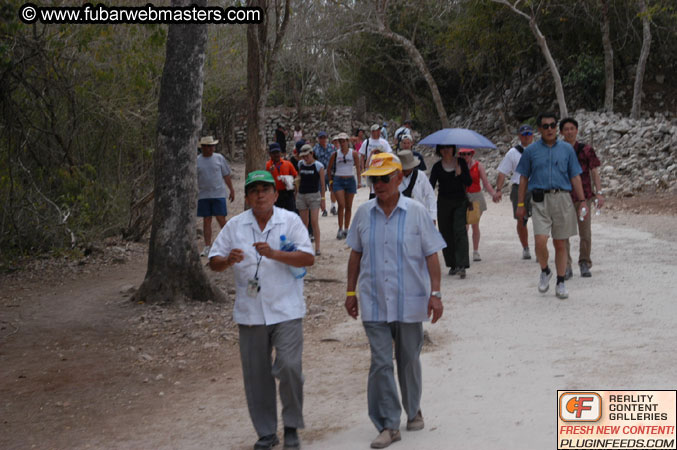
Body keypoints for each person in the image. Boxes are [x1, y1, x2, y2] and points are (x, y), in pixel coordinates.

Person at [344, 152, 445, 450]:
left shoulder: (416, 212)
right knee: (380, 362)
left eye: (385, 178)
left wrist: (435, 294)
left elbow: (431, 255)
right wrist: (350, 292)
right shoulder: (363, 214)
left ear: (400, 178)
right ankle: (388, 423)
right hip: (374, 301)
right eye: (374, 179)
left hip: (409, 300)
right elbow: (355, 254)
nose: (379, 184)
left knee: (409, 358)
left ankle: (413, 409)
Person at [208, 170, 314, 450]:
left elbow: (307, 257)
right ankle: (266, 433)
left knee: (290, 367)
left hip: (287, 309)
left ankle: (291, 426)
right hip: (251, 312)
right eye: (254, 190)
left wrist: (275, 254)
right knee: (256, 376)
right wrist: (227, 260)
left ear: (276, 194)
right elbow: (213, 261)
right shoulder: (235, 226)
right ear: (247, 196)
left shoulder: (289, 221)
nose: (260, 195)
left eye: (265, 189)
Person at [515, 113, 586, 300]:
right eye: (545, 126)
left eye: (552, 125)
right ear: (539, 129)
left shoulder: (567, 150)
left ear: (556, 128)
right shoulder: (530, 151)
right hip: (539, 200)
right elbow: (523, 178)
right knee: (540, 241)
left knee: (560, 243)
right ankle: (545, 270)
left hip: (562, 198)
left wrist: (583, 200)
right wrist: (520, 204)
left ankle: (561, 281)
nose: (549, 129)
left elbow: (575, 176)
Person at [559, 117, 605, 278]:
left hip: (584, 197)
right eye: (566, 129)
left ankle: (584, 262)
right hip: (564, 197)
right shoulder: (558, 150)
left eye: (572, 128)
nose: (570, 132)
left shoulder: (586, 150)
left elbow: (594, 172)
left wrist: (599, 193)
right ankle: (566, 265)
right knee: (563, 232)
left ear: (577, 130)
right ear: (561, 132)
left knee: (585, 232)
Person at [429, 144, 472, 278]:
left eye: (448, 147)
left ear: (453, 149)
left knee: (460, 231)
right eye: (442, 148)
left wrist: (460, 174)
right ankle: (452, 264)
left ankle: (462, 265)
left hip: (459, 201)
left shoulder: (461, 163)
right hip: (443, 203)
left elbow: (469, 181)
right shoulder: (437, 166)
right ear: (439, 150)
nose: (446, 150)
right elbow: (430, 185)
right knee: (446, 233)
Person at [493, 124, 535, 260]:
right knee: (521, 219)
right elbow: (503, 172)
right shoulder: (513, 153)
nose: (526, 137)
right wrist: (498, 189)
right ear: (519, 136)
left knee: (541, 218)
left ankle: (540, 248)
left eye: (529, 134)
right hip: (519, 188)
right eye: (524, 135)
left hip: (536, 187)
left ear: (533, 135)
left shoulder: (539, 150)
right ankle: (525, 247)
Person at [197, 136, 235, 257]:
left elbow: (226, 175)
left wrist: (231, 189)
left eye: (211, 146)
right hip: (203, 195)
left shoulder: (219, 158)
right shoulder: (197, 160)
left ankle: (229, 244)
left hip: (218, 194)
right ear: (202, 147)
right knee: (207, 220)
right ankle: (208, 246)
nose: (210, 148)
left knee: (221, 218)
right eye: (207, 146)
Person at [458, 148, 498, 262]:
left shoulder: (478, 166)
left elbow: (485, 182)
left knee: (474, 224)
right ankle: (463, 250)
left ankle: (475, 251)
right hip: (463, 196)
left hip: (476, 196)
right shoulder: (458, 166)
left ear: (472, 154)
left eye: (468, 154)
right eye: (463, 154)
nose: (465, 156)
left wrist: (493, 194)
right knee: (464, 226)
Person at [327, 132, 361, 239]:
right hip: (338, 179)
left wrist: (359, 181)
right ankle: (340, 228)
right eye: (340, 141)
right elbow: (329, 169)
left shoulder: (353, 153)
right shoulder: (335, 154)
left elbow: (358, 168)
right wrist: (331, 182)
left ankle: (346, 228)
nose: (342, 143)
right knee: (341, 204)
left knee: (349, 206)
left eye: (343, 141)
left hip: (350, 179)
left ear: (347, 141)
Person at [296, 144, 326, 256]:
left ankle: (317, 247)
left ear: (311, 153)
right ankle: (305, 246)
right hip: (302, 195)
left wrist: (323, 199)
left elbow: (322, 185)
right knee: (304, 223)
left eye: (306, 156)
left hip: (314, 195)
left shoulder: (319, 166)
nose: (305, 158)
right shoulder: (300, 164)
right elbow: (299, 178)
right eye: (303, 156)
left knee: (314, 221)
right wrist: (296, 191)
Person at [397, 150, 436, 222]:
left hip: (418, 215)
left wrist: (432, 216)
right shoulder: (394, 177)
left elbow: (430, 195)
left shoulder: (421, 175)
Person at [266, 143, 298, 212]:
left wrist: (290, 181)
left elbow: (296, 176)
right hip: (274, 195)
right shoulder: (267, 165)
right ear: (270, 154)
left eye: (277, 152)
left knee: (290, 214)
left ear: (280, 152)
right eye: (273, 153)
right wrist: (269, 172)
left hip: (288, 193)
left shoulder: (288, 164)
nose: (276, 155)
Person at [312, 131, 337, 216]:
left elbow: (336, 158)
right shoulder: (315, 149)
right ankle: (324, 209)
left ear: (327, 138)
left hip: (330, 171)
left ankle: (333, 206)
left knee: (333, 189)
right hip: (319, 172)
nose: (323, 139)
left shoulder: (332, 147)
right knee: (321, 190)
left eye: (324, 137)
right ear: (318, 139)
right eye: (321, 138)